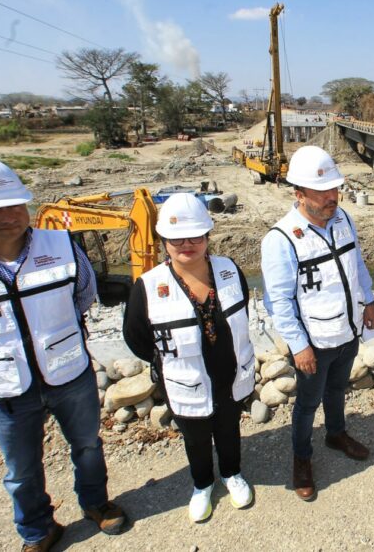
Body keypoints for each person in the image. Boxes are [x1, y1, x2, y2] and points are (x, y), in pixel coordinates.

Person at [0, 157, 127, 552]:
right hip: (4, 385)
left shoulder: (61, 245)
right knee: (21, 469)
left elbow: (84, 295)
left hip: (68, 372)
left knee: (87, 446)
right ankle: (37, 529)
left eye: (15, 205)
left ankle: (95, 503)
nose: (9, 216)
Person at [122, 193, 256, 522]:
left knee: (228, 428)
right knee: (195, 437)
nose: (187, 244)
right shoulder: (148, 286)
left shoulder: (228, 270)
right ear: (164, 242)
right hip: (184, 378)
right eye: (177, 238)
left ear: (207, 236)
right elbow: (136, 337)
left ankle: (232, 473)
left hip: (229, 373)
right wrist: (167, 360)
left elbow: (242, 307)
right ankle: (202, 484)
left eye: (195, 236)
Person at [260, 145, 374, 501]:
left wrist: (369, 301)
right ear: (299, 193)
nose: (333, 197)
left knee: (337, 389)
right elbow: (278, 302)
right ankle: (302, 458)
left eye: (335, 188)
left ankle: (336, 433)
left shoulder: (343, 220)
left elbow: (357, 264)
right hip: (314, 341)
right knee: (307, 404)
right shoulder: (281, 239)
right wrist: (299, 346)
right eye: (323, 191)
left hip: (347, 330)